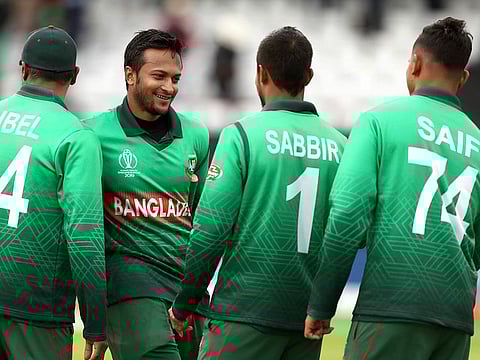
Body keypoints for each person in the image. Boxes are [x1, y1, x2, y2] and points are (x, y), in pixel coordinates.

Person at [305, 17, 479, 360]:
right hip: (456, 319)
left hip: (389, 307)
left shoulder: (379, 122)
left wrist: (322, 302)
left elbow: (347, 217)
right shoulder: (478, 141)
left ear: (414, 64)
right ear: (463, 78)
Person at [169, 26, 347, 360]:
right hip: (305, 321)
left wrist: (185, 303)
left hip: (242, 313)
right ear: (309, 75)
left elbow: (210, 230)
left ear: (260, 73)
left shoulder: (241, 135)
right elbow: (347, 236)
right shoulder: (341, 146)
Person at [82, 29, 209, 360]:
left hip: (185, 290)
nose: (169, 87)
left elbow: (199, 216)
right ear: (129, 74)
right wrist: (97, 315)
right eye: (159, 76)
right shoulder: (92, 135)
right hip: (128, 286)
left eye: (175, 78)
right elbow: (81, 226)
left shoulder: (196, 135)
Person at [0, 25, 107, 360]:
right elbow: (84, 238)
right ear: (74, 75)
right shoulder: (77, 138)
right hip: (37, 309)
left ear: (23, 68)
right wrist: (95, 322)